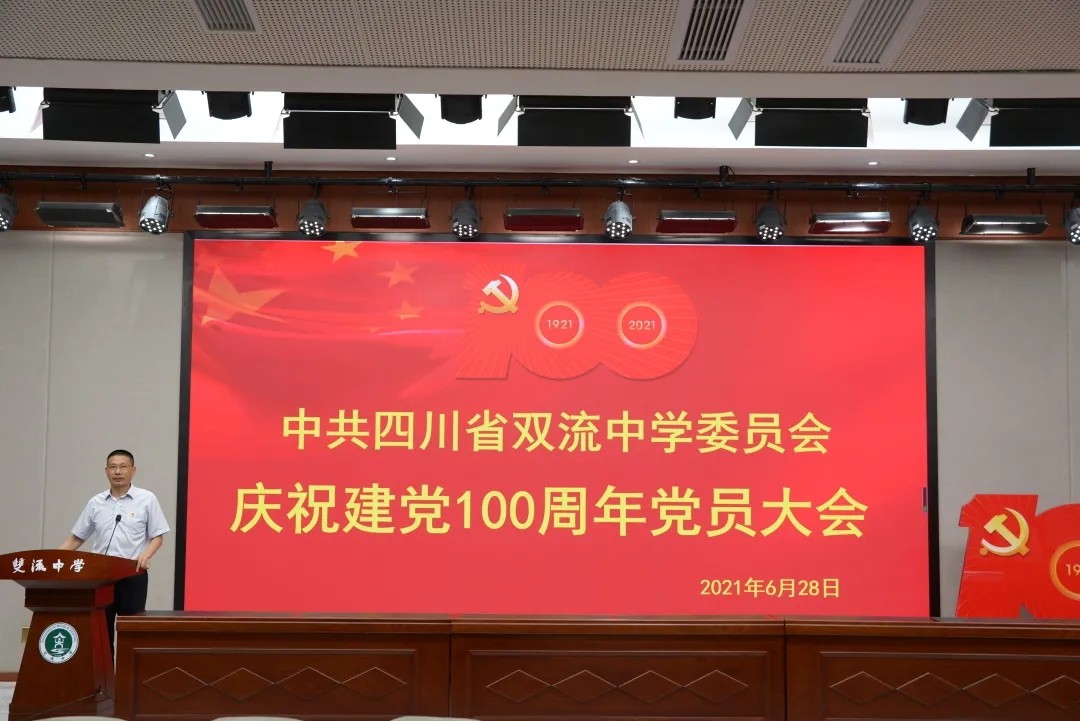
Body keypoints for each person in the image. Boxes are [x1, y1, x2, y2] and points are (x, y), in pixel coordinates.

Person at [59, 449, 170, 654]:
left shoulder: (147, 499)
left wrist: (146, 555)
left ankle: (127, 675)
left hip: (132, 573)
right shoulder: (96, 502)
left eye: (123, 467)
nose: (117, 471)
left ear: (133, 470)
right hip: (101, 576)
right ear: (106, 471)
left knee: (130, 632)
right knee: (102, 631)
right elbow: (76, 538)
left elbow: (158, 536)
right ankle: (105, 674)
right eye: (113, 467)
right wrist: (53, 559)